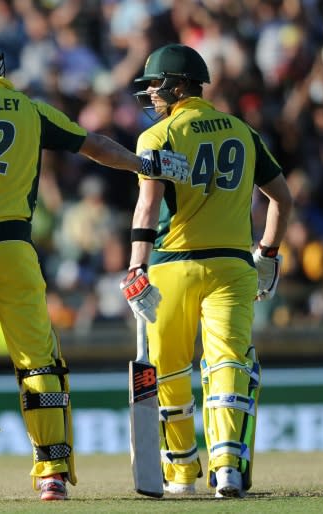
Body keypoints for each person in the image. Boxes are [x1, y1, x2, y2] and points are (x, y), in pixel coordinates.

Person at [0, 30, 189, 501]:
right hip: (17, 249)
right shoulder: (32, 109)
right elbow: (94, 145)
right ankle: (52, 473)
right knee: (39, 362)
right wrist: (142, 165)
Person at [120, 43, 293, 498]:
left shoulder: (158, 136)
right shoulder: (242, 131)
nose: (151, 95)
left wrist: (136, 263)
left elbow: (147, 204)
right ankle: (228, 468)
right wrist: (269, 255)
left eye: (156, 86)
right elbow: (283, 199)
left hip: (171, 266)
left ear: (177, 86)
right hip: (232, 268)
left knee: (171, 372)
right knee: (227, 364)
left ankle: (180, 474)